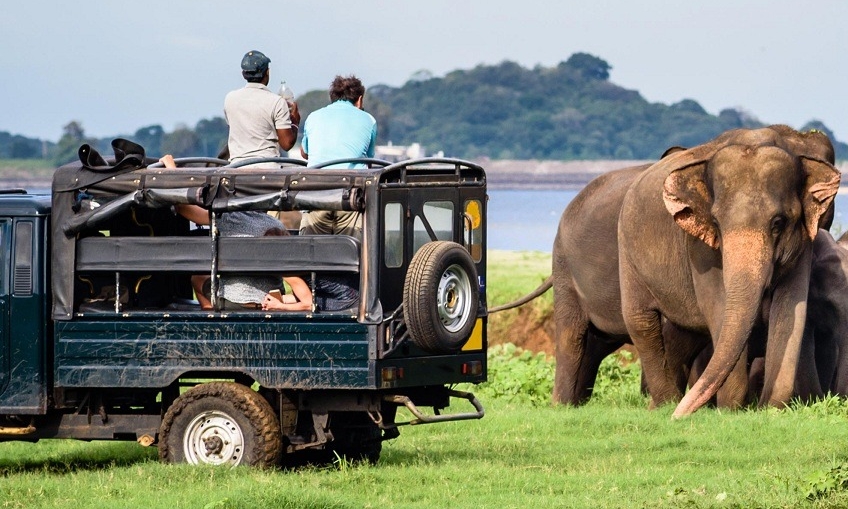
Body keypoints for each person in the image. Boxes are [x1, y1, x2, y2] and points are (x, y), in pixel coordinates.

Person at [158, 156, 312, 311]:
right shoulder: (276, 225)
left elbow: (184, 207)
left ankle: (210, 311)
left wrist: (171, 169)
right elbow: (304, 296)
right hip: (270, 301)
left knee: (198, 279)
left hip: (233, 302)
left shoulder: (229, 218)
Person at [299, 75, 377, 237]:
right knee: (352, 254)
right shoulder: (369, 120)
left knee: (312, 254)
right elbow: (368, 160)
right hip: (350, 195)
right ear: (360, 100)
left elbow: (305, 153)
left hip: (315, 193)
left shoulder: (313, 116)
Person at [223, 50, 301, 167]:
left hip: (237, 167)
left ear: (243, 74)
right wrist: (294, 122)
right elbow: (287, 144)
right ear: (267, 73)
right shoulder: (277, 102)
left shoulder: (230, 98)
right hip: (268, 169)